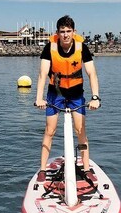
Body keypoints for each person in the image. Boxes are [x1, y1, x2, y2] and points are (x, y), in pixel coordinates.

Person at [34, 15, 100, 183]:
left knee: (80, 130)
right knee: (50, 130)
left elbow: (92, 73)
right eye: (62, 31)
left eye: (68, 31)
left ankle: (86, 168)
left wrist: (95, 97)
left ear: (74, 32)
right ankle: (42, 169)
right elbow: (42, 74)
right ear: (57, 33)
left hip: (76, 95)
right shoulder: (50, 48)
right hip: (55, 95)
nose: (65, 35)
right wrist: (39, 98)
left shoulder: (81, 48)